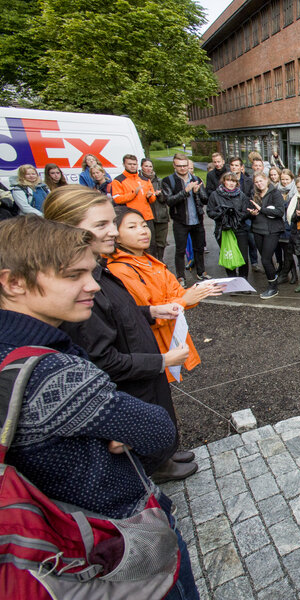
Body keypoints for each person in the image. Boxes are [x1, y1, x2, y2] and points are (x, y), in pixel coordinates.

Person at [0, 215, 200, 599]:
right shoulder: (53, 374)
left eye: (91, 272)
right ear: (14, 283)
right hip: (112, 534)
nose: (92, 285)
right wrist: (118, 428)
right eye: (74, 275)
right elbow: (157, 431)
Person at [44, 187, 196, 482]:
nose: (112, 231)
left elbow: (119, 312)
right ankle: (154, 466)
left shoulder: (98, 267)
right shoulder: (79, 287)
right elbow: (102, 358)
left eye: (111, 222)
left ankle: (164, 452)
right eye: (101, 225)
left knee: (159, 413)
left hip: (143, 367)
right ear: (68, 228)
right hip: (131, 379)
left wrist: (150, 312)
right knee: (142, 428)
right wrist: (162, 360)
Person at [106, 207, 221, 379]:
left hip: (168, 337)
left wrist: (198, 292)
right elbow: (144, 314)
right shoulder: (120, 270)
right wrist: (185, 300)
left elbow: (176, 293)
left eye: (144, 225)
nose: (143, 231)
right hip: (150, 347)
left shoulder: (150, 262)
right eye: (132, 227)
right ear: (115, 235)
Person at [162, 153, 209, 287]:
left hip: (197, 220)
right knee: (180, 250)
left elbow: (205, 199)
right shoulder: (168, 181)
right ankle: (181, 277)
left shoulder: (196, 178)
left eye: (185, 166)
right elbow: (169, 201)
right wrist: (185, 191)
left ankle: (201, 272)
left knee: (199, 248)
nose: (183, 169)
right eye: (179, 166)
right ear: (174, 166)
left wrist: (197, 192)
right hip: (180, 221)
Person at [247, 172, 287, 299]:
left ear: (266, 180)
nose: (259, 184)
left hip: (272, 231)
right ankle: (272, 282)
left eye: (261, 181)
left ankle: (273, 287)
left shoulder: (275, 193)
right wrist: (252, 213)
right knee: (266, 259)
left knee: (265, 259)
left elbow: (280, 212)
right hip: (257, 229)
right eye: (257, 182)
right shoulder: (254, 194)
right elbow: (249, 209)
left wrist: (262, 209)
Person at [207, 172, 252, 278]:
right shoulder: (215, 195)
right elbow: (210, 211)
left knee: (243, 257)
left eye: (233, 181)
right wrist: (223, 215)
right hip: (223, 230)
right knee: (229, 256)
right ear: (223, 181)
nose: (231, 183)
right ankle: (232, 280)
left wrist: (235, 217)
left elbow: (246, 212)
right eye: (228, 180)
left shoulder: (241, 195)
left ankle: (243, 280)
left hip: (239, 229)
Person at [112, 154, 156, 250]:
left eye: (134, 164)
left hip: (147, 217)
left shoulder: (145, 179)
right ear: (124, 164)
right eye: (130, 164)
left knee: (151, 245)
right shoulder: (118, 180)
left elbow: (153, 199)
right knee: (135, 245)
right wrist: (133, 194)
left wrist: (150, 196)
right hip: (131, 219)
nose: (132, 166)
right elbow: (117, 199)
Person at [140, 158, 168, 261]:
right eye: (146, 166)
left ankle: (160, 260)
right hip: (145, 217)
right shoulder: (138, 181)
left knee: (161, 242)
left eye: (150, 166)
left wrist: (159, 195)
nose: (148, 169)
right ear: (142, 167)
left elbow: (166, 199)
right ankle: (151, 261)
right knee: (149, 242)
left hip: (160, 215)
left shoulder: (159, 181)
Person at [276, 169, 299, 285]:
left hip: (292, 224)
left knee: (289, 251)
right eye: (282, 179)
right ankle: (293, 274)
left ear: (292, 179)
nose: (284, 182)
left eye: (287, 179)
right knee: (286, 250)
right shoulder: (277, 189)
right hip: (280, 224)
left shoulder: (296, 191)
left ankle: (285, 274)